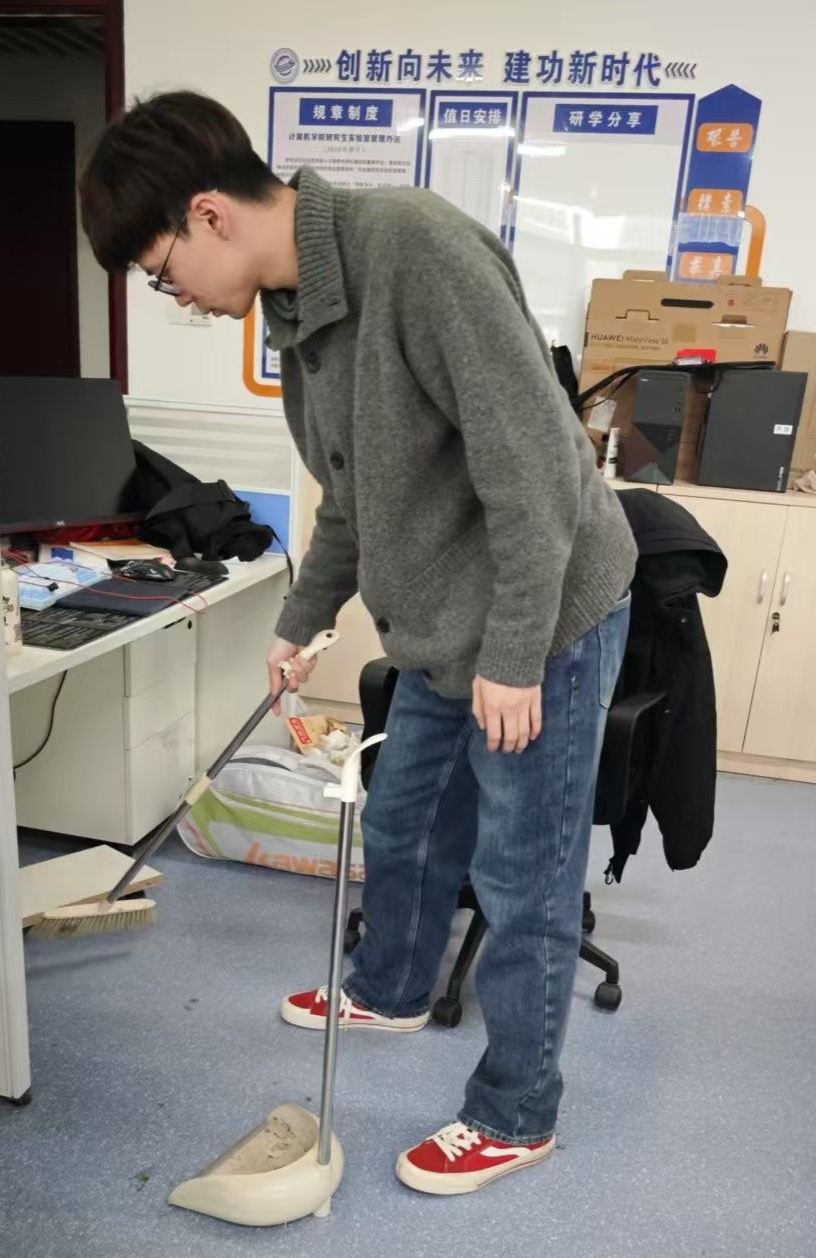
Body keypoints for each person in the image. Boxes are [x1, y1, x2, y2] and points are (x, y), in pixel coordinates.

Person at [81, 92, 636, 1198]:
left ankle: (516, 1110)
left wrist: (515, 655)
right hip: (439, 621)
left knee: (521, 875)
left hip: (541, 615)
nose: (174, 297)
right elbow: (355, 491)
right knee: (400, 818)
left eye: (161, 272)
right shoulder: (296, 311)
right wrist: (303, 618)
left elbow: (537, 467)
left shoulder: (415, 252)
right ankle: (389, 988)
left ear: (208, 215)